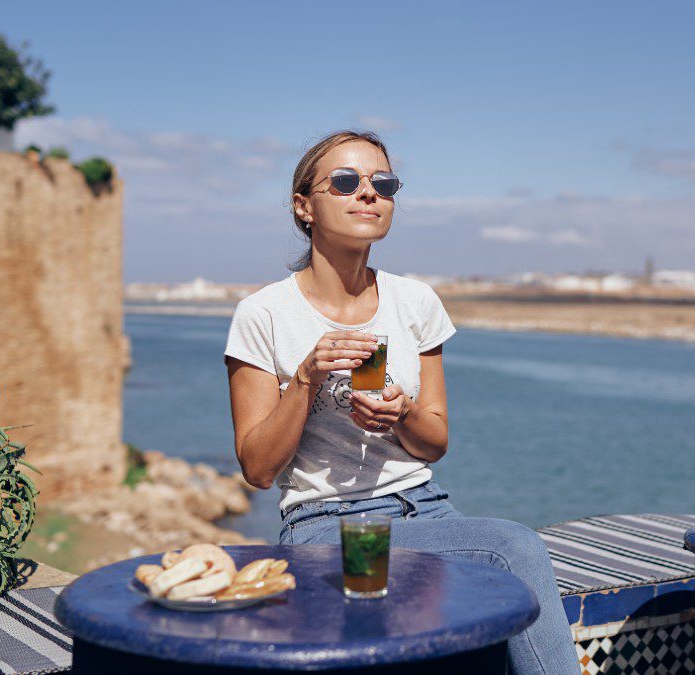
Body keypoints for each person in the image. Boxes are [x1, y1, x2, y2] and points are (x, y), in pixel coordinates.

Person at [224, 130, 579, 674]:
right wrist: (306, 378)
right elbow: (258, 468)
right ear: (304, 206)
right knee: (515, 547)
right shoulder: (264, 314)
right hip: (324, 524)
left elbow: (434, 443)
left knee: (482, 626)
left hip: (427, 510)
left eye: (383, 183)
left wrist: (403, 412)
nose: (369, 193)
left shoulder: (415, 302)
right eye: (346, 181)